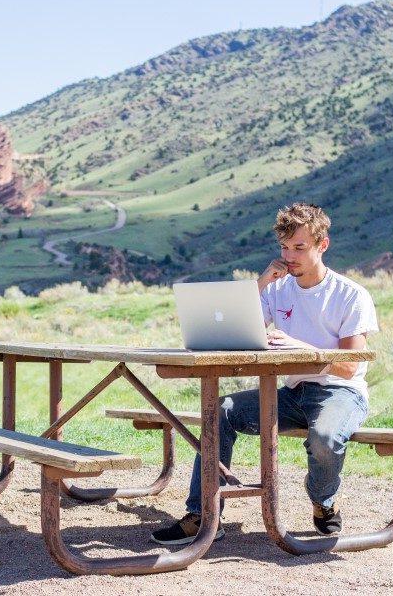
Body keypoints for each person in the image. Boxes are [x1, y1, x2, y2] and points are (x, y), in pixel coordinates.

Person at [151, 202, 379, 545]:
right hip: (289, 393)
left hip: (339, 392)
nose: (290, 256)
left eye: (300, 248)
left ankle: (323, 501)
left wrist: (297, 346)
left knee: (326, 438)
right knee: (220, 411)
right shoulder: (276, 288)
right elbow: (240, 333)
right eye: (284, 248)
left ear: (323, 245)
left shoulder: (350, 295)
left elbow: (350, 366)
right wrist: (259, 284)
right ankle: (203, 515)